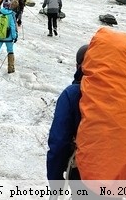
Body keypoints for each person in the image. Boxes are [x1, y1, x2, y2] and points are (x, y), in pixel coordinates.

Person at [47, 44, 89, 190]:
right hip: (115, 176)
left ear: (78, 66)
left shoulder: (72, 94)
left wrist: (55, 180)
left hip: (83, 173)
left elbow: (59, 141)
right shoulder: (119, 93)